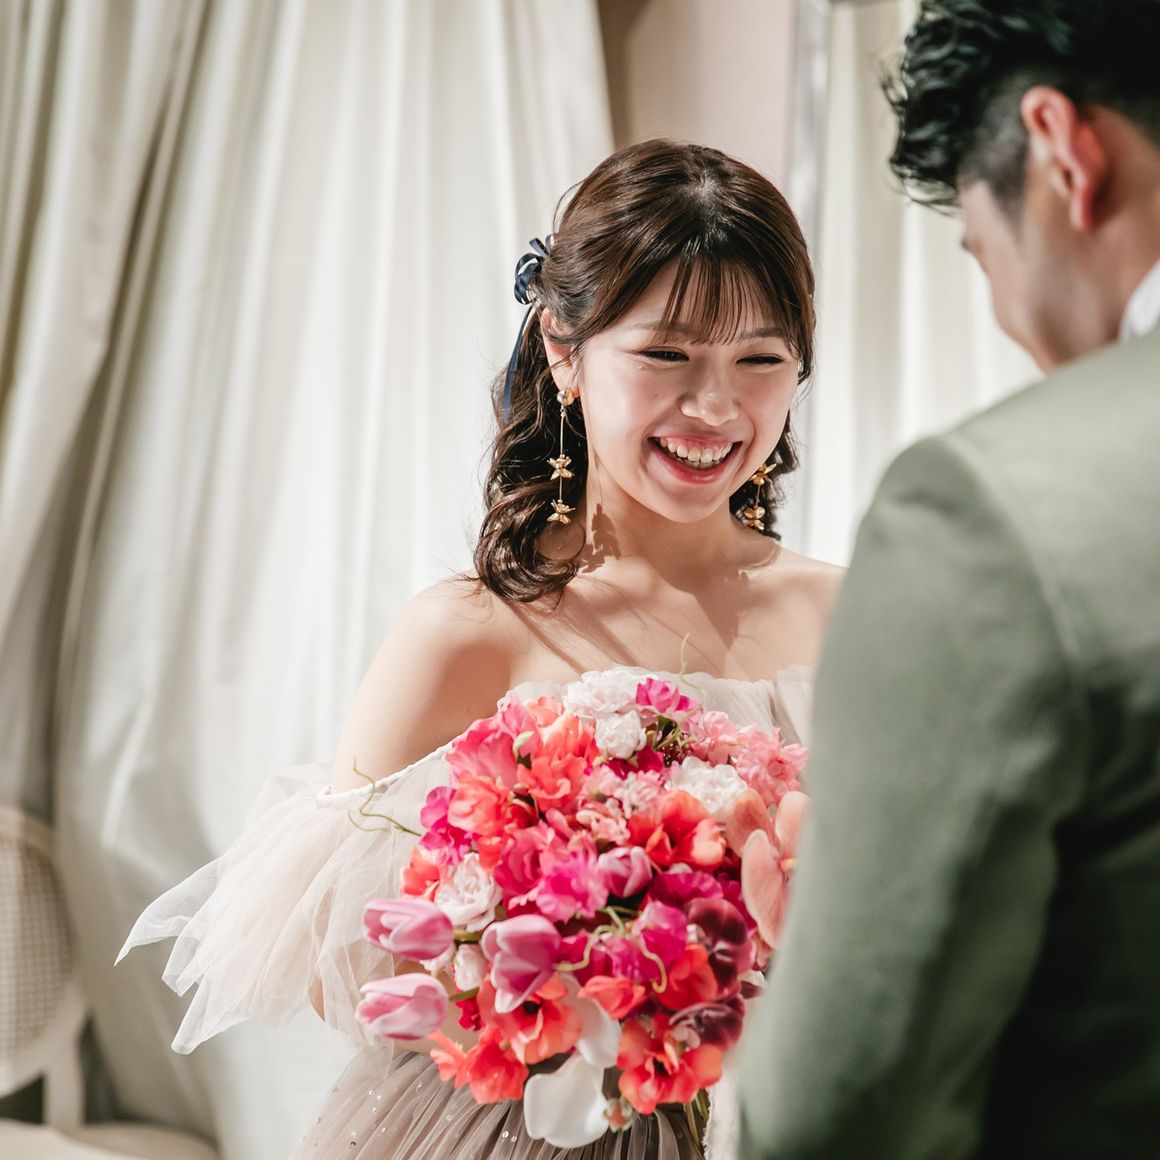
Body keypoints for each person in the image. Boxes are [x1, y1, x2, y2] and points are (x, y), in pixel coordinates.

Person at [119, 138, 842, 1159]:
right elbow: (337, 963)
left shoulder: (846, 616)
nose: (716, 406)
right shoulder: (464, 633)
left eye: (759, 360)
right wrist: (565, 968)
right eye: (666, 355)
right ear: (563, 349)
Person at [738, 3, 1160, 1157]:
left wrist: (820, 955)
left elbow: (834, 1110)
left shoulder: (987, 511)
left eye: (980, 250)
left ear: (1061, 152)